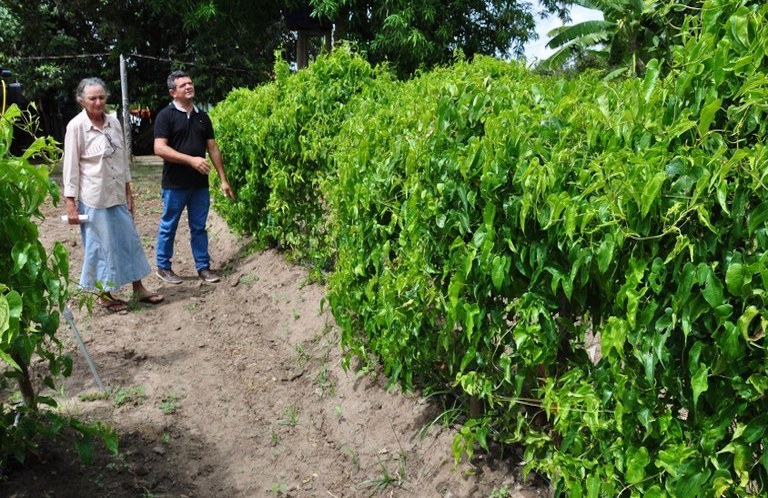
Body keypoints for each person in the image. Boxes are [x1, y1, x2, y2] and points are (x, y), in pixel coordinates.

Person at [63, 77, 164, 312]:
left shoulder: (114, 123)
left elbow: (122, 160)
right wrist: (71, 204)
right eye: (92, 98)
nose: (98, 102)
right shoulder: (76, 127)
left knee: (129, 240)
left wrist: (128, 191)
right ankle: (103, 294)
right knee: (100, 246)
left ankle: (138, 288)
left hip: (117, 193)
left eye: (101, 97)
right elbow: (70, 167)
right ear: (82, 100)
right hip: (94, 197)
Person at [153, 70, 235, 284]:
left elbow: (213, 149)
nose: (189, 87)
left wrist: (223, 179)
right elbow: (160, 148)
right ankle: (163, 267)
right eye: (183, 85)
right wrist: (191, 160)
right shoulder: (166, 116)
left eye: (190, 83)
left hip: (199, 185)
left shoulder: (202, 117)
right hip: (174, 185)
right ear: (173, 92)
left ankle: (203, 267)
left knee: (198, 227)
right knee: (169, 225)